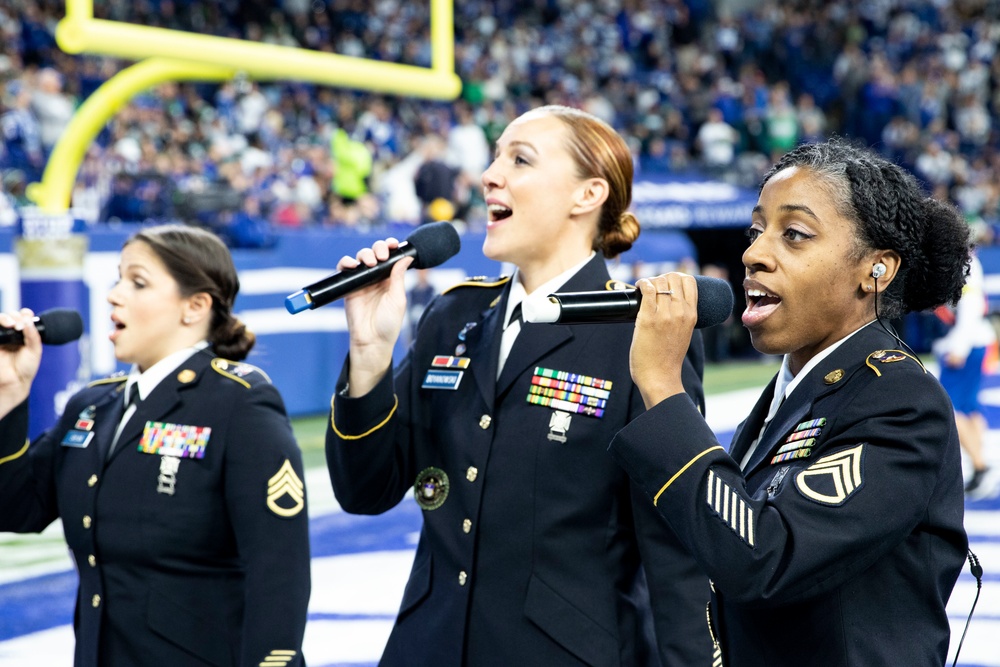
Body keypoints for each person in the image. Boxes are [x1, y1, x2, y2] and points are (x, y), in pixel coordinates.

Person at [326, 105, 713, 665]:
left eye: (520, 159)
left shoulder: (642, 333)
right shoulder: (452, 317)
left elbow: (676, 551)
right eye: (494, 156)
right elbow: (366, 491)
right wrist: (369, 354)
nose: (488, 175)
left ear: (588, 195)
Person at [610, 138, 971, 666]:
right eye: (756, 231)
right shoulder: (797, 390)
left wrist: (664, 388)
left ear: (876, 269)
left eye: (794, 234)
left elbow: (759, 557)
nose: (753, 253)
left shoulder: (900, 400)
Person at [0, 224, 311, 667]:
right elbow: (15, 509)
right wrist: (8, 398)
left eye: (137, 282)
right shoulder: (93, 405)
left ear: (195, 306)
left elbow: (279, 574)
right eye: (117, 277)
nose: (113, 294)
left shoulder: (238, 403)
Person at [933, 250, 999, 499]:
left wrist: (958, 347)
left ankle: (980, 466)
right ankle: (980, 465)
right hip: (974, 340)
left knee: (950, 407)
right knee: (969, 406)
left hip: (967, 344)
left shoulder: (963, 262)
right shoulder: (968, 259)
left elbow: (969, 305)